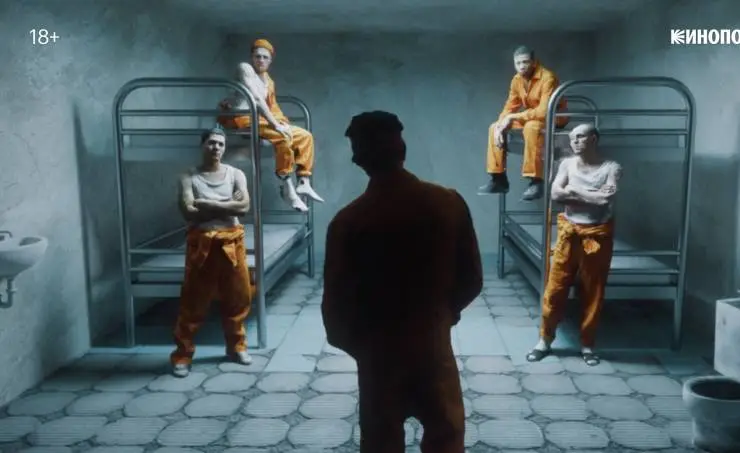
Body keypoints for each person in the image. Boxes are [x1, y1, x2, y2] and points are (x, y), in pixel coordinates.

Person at [321, 111, 483, 453]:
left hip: (379, 354)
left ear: (358, 158)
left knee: (380, 441)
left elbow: (335, 311)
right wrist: (442, 316)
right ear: (402, 149)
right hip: (432, 343)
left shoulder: (348, 222)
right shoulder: (448, 203)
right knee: (445, 436)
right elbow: (472, 280)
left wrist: (364, 347)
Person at [525, 123, 622, 367]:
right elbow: (556, 195)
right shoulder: (567, 164)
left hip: (597, 236)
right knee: (555, 289)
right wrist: (590, 195)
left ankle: (587, 344)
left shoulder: (611, 167)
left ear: (594, 139)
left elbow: (605, 200)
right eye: (571, 138)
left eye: (580, 137)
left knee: (593, 292)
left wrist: (573, 191)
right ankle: (545, 340)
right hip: (569, 234)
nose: (574, 142)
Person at [170, 126, 255, 378]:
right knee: (193, 301)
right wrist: (229, 205)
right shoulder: (189, 176)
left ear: (225, 148)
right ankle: (183, 355)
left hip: (232, 242)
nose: (216, 147)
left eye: (220, 143)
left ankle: (236, 347)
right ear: (202, 145)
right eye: (211, 143)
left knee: (238, 297)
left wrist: (206, 203)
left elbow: (244, 207)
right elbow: (188, 212)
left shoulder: (236, 174)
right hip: (202, 243)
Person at [217, 38, 323, 212]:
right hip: (242, 120)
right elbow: (257, 99)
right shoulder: (245, 68)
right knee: (282, 137)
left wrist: (281, 122)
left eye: (265, 57)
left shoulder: (269, 81)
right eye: (257, 56)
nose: (261, 60)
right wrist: (276, 125)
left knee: (305, 136)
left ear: (270, 60)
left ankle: (304, 181)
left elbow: (273, 107)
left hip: (261, 120)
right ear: (252, 57)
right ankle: (287, 187)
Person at [479, 46, 569, 200]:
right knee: (494, 127)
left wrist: (513, 117)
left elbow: (543, 112)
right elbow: (509, 107)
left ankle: (536, 181)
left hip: (555, 117)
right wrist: (501, 125)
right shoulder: (516, 80)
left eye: (525, 62)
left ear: (534, 62)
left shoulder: (548, 77)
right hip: (532, 116)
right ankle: (498, 179)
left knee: (531, 127)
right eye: (518, 63)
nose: (521, 66)